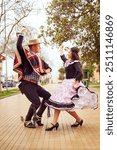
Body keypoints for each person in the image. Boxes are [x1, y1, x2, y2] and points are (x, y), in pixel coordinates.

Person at [13, 28, 51, 128]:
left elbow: (48, 67)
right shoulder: (26, 55)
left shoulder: (38, 59)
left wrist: (47, 70)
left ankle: (38, 116)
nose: (40, 47)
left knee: (48, 96)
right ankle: (27, 121)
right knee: (36, 102)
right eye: (39, 45)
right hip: (26, 83)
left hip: (35, 84)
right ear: (33, 46)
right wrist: (21, 34)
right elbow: (18, 46)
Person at [45, 45, 84, 131]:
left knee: (65, 105)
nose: (68, 53)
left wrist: (76, 82)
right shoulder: (68, 62)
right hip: (66, 84)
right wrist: (61, 49)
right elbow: (63, 57)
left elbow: (80, 73)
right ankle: (55, 123)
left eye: (69, 52)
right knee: (58, 104)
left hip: (71, 85)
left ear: (73, 54)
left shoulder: (76, 62)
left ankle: (78, 120)